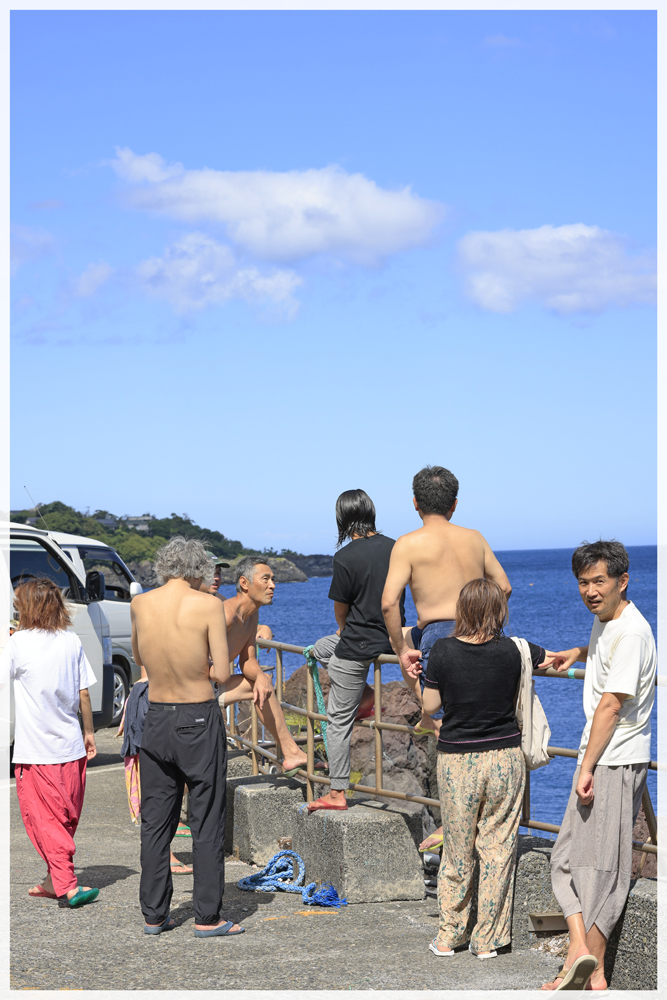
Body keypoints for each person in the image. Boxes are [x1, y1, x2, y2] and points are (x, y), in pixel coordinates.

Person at [541, 541, 656, 992]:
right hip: (602, 758)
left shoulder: (632, 631)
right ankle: (581, 952)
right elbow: (609, 660)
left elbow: (611, 704)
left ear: (622, 582)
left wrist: (585, 766)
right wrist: (577, 652)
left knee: (601, 869)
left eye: (599, 582)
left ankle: (594, 967)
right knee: (568, 859)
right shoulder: (608, 621)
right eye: (584, 582)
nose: (590, 591)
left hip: (613, 760)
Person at [422, 578, 556, 960]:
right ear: (499, 611)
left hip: (457, 760)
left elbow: (431, 706)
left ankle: (450, 935)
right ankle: (488, 941)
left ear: (462, 610)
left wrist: (426, 675)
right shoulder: (517, 650)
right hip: (504, 758)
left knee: (458, 850)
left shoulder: (443, 650)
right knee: (498, 850)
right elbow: (551, 658)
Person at [382, 465, 512, 852]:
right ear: (455, 504)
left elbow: (389, 602)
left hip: (439, 638)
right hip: (485, 633)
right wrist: (488, 625)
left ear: (415, 503)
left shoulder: (407, 543)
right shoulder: (474, 538)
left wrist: (404, 651)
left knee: (405, 641)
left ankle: (427, 713)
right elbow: (503, 587)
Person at [130, 536, 243, 938]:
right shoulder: (208, 605)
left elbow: (141, 657)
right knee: (206, 818)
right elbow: (220, 672)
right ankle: (207, 918)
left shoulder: (140, 603)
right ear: (197, 570)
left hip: (156, 717)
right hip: (197, 716)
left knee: (156, 822)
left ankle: (154, 915)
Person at [0, 578, 99, 907]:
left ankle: (67, 886)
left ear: (26, 607)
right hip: (71, 747)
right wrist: (89, 732)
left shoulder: (18, 644)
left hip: (37, 752)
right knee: (63, 819)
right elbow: (84, 692)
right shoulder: (71, 640)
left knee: (44, 821)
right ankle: (52, 880)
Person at [307, 489, 405, 813]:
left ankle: (337, 793)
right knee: (320, 648)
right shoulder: (396, 548)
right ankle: (364, 695)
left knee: (337, 720)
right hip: (390, 638)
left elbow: (341, 612)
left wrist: (345, 629)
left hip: (357, 644)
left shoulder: (345, 557)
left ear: (343, 519)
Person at [216, 557, 309, 774]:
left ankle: (291, 752)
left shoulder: (251, 614)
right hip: (194, 690)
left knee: (263, 687)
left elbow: (247, 660)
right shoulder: (225, 614)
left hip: (215, 686)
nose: (272, 585)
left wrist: (260, 676)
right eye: (265, 579)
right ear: (245, 583)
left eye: (273, 579)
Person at [117, 668, 192, 874]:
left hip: (154, 695)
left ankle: (160, 853)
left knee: (169, 786)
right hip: (158, 698)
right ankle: (163, 855)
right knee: (164, 789)